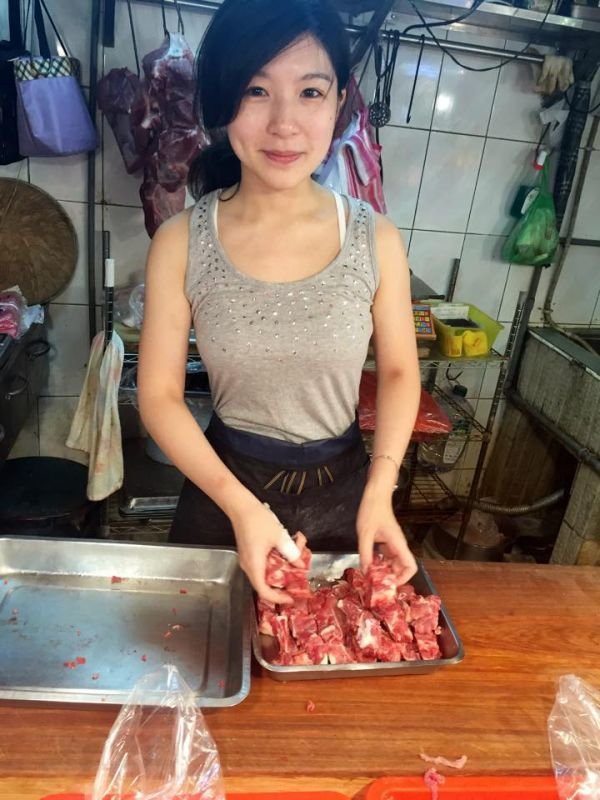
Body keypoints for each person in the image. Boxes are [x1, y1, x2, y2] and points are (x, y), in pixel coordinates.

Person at [138, 0, 421, 604]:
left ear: (339, 100)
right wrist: (242, 508)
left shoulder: (376, 239)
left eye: (310, 92)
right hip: (224, 495)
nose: (284, 124)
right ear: (223, 101)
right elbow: (159, 395)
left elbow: (399, 372)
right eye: (256, 91)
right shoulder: (181, 240)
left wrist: (381, 490)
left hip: (346, 499)